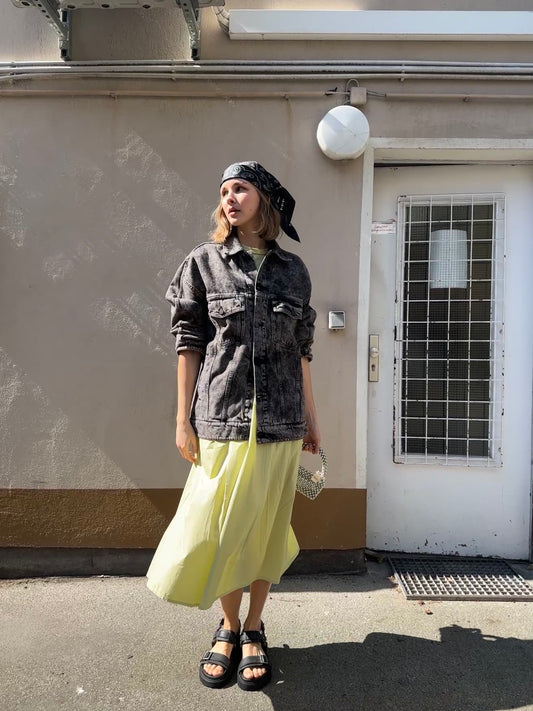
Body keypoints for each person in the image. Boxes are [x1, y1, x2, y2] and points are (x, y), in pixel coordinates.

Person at [146, 161, 320, 692]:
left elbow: (302, 352)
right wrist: (181, 420)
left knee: (265, 532)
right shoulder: (203, 263)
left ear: (264, 198)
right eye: (224, 190)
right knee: (221, 530)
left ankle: (253, 628)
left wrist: (313, 421)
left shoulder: (294, 272)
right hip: (221, 419)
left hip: (282, 422)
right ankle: (227, 625)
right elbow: (188, 345)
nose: (229, 198)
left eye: (240, 188)